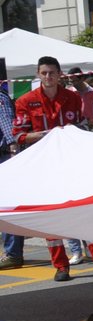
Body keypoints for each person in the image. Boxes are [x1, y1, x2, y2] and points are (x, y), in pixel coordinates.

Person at [12, 56, 93, 282]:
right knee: (50, 216)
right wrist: (46, 136)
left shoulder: (71, 97)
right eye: (44, 73)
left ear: (60, 74)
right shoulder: (26, 100)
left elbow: (81, 126)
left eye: (52, 73)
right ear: (38, 74)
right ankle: (61, 266)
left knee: (87, 209)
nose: (48, 77)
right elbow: (19, 135)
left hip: (72, 164)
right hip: (43, 167)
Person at [0, 81, 23, 269]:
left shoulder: (0, 98)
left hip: (4, 156)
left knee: (6, 204)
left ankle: (13, 253)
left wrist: (13, 151)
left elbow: (8, 128)